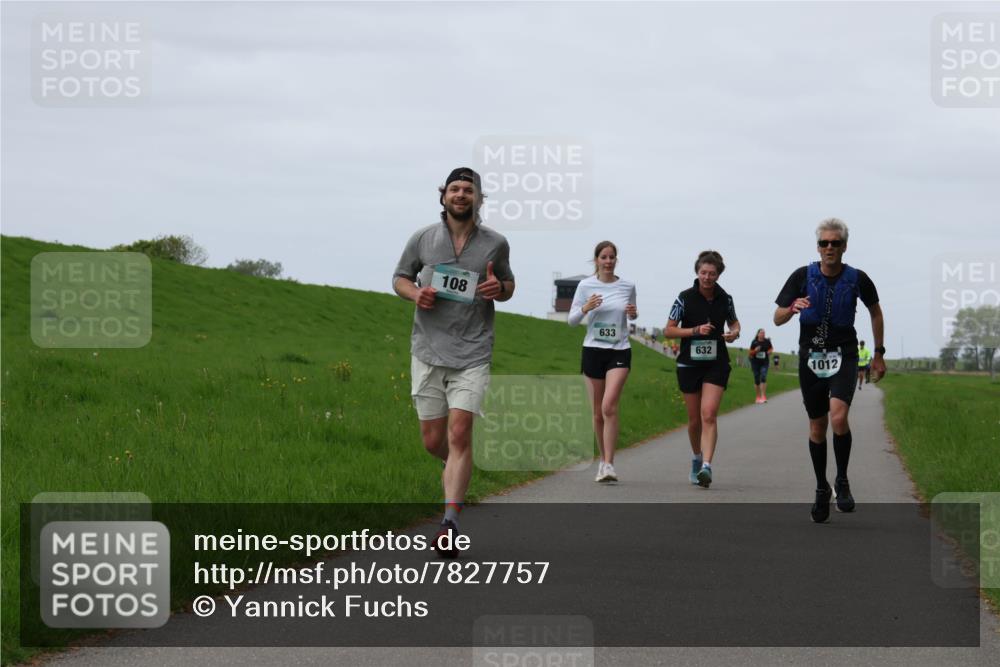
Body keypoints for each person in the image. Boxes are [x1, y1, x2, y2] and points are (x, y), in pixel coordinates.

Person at [393, 167, 515, 557]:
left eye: (469, 190)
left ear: (479, 198)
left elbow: (509, 285)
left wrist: (501, 288)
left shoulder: (495, 244)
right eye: (455, 189)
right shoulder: (423, 239)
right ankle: (457, 470)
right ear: (443, 194)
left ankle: (449, 523)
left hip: (473, 352)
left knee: (459, 435)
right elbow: (399, 277)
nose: (461, 195)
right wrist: (416, 294)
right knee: (435, 442)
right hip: (428, 351)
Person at [773, 218, 886, 523]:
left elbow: (875, 312)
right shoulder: (802, 276)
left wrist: (878, 353)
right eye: (824, 243)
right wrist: (792, 307)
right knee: (817, 427)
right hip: (811, 357)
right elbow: (777, 318)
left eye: (835, 243)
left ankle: (843, 480)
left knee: (838, 416)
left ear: (844, 247)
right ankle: (822, 487)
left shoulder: (857, 278)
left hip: (845, 355)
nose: (830, 248)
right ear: (818, 247)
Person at [665, 250, 741, 488]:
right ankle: (697, 458)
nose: (707, 277)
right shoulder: (684, 298)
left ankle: (707, 466)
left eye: (712, 273)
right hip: (689, 363)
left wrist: (735, 333)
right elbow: (668, 330)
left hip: (716, 363)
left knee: (708, 414)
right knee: (694, 419)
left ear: (718, 275)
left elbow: (734, 321)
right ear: (697, 273)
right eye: (703, 273)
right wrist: (694, 331)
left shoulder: (725, 298)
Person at [567, 241, 638, 483]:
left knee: (609, 407)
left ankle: (609, 464)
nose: (608, 261)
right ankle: (603, 461)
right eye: (604, 257)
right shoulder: (585, 285)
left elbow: (633, 312)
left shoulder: (627, 286)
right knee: (597, 413)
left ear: (616, 260)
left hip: (619, 350)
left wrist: (633, 313)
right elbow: (572, 321)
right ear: (596, 260)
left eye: (612, 257)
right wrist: (586, 307)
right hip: (592, 350)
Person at [748, 328, 774, 404]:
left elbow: (771, 348)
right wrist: (755, 350)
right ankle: (758, 397)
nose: (763, 334)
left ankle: (763, 396)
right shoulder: (754, 342)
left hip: (764, 362)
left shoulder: (767, 341)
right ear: (758, 334)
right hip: (755, 363)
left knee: (763, 376)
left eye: (764, 333)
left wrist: (769, 352)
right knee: (756, 379)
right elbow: (750, 353)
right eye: (761, 333)